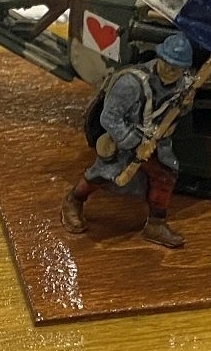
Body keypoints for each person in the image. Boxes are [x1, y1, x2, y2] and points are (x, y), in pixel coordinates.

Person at [61, 31, 196, 248]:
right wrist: (134, 143)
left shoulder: (184, 85)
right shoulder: (131, 83)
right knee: (105, 174)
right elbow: (109, 117)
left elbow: (176, 114)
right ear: (159, 57)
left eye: (177, 67)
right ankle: (74, 200)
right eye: (167, 63)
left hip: (157, 141)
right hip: (125, 139)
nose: (170, 70)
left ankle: (156, 223)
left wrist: (186, 104)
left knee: (164, 176)